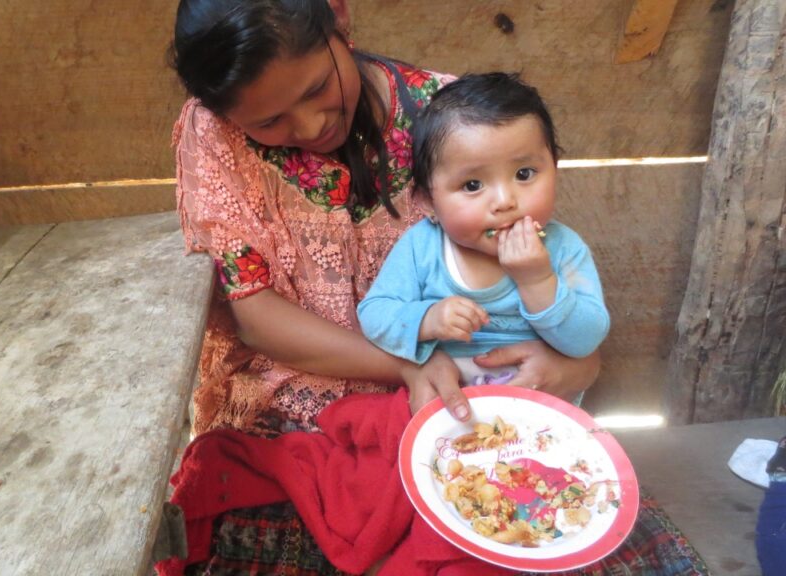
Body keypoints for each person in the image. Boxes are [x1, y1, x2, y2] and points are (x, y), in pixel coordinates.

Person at [166, 0, 602, 572]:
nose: (310, 126)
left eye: (318, 87)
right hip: (300, 388)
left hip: (462, 392)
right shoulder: (213, 132)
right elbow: (254, 311)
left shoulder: (456, 125)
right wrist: (406, 364)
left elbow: (560, 313)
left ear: (339, 20)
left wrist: (575, 367)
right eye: (268, 123)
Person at [357, 73, 609, 394]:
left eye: (524, 174)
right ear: (427, 201)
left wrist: (538, 281)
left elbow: (586, 339)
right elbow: (374, 315)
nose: (505, 201)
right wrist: (427, 318)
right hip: (446, 416)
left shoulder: (563, 249)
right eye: (473, 185)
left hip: (537, 425)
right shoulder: (423, 248)